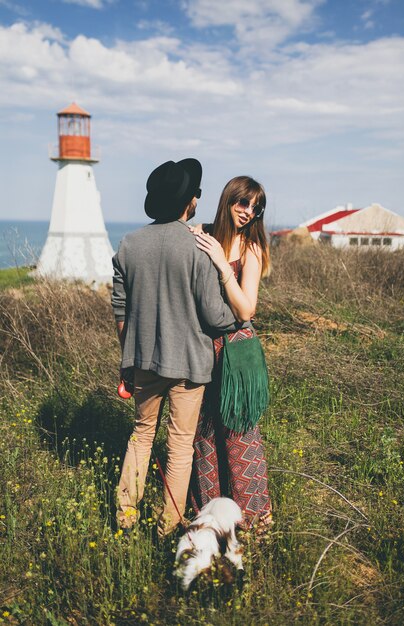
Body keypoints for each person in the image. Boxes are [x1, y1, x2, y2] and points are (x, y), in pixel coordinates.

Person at [111, 159, 246, 537]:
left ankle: (125, 516)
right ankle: (168, 525)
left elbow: (120, 307)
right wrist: (242, 318)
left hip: (142, 361)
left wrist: (130, 355)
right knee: (180, 446)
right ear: (190, 202)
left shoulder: (129, 244)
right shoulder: (199, 246)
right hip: (189, 364)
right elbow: (216, 316)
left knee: (141, 435)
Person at [189, 175, 273, 533]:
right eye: (243, 203)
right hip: (201, 349)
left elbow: (246, 310)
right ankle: (210, 520)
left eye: (256, 208)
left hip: (237, 353)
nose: (248, 212)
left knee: (240, 437)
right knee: (204, 436)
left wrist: (223, 267)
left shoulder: (251, 248)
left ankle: (254, 521)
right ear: (228, 200)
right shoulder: (202, 232)